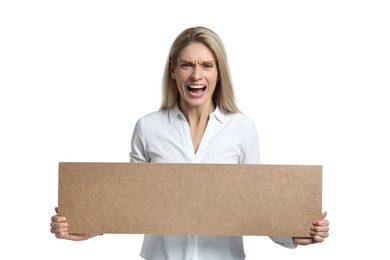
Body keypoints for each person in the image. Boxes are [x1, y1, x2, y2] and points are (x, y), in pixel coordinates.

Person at [50, 26, 330, 259]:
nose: (196, 75)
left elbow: (255, 207)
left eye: (206, 65)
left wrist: (294, 232)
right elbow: (129, 202)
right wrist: (85, 225)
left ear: (218, 73)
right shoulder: (148, 127)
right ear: (173, 71)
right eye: (187, 65)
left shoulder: (242, 128)